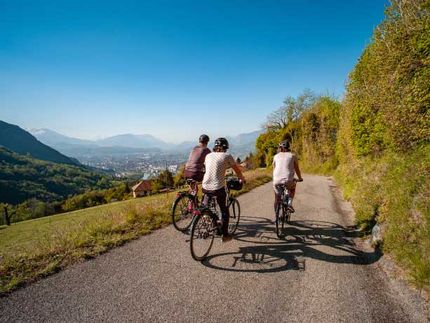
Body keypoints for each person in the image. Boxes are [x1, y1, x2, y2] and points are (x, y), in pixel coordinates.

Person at [202, 137, 246, 242]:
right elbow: (237, 171)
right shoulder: (227, 156)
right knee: (224, 211)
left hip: (205, 186)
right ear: (225, 148)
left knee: (206, 206)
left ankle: (207, 217)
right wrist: (242, 179)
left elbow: (209, 168)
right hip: (217, 188)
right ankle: (225, 235)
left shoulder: (208, 155)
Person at [272, 140, 303, 214]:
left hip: (276, 181)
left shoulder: (275, 156)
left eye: (279, 148)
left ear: (281, 148)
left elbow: (274, 168)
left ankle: (277, 216)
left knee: (277, 198)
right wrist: (300, 178)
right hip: (288, 181)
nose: (278, 149)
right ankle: (289, 203)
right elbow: (297, 169)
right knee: (293, 187)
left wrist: (275, 178)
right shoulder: (293, 156)